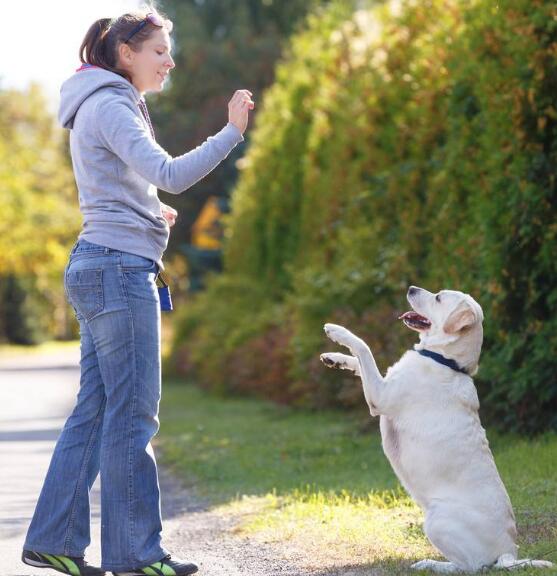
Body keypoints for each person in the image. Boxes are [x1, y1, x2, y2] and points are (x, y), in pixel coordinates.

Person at [22, 7, 254, 576]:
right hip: (117, 270)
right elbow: (169, 172)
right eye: (158, 52)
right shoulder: (110, 103)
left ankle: (55, 538)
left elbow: (126, 186)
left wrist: (152, 214)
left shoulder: (98, 101)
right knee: (132, 416)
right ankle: (134, 554)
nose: (168, 62)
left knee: (98, 411)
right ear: (126, 53)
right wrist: (231, 133)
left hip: (105, 262)